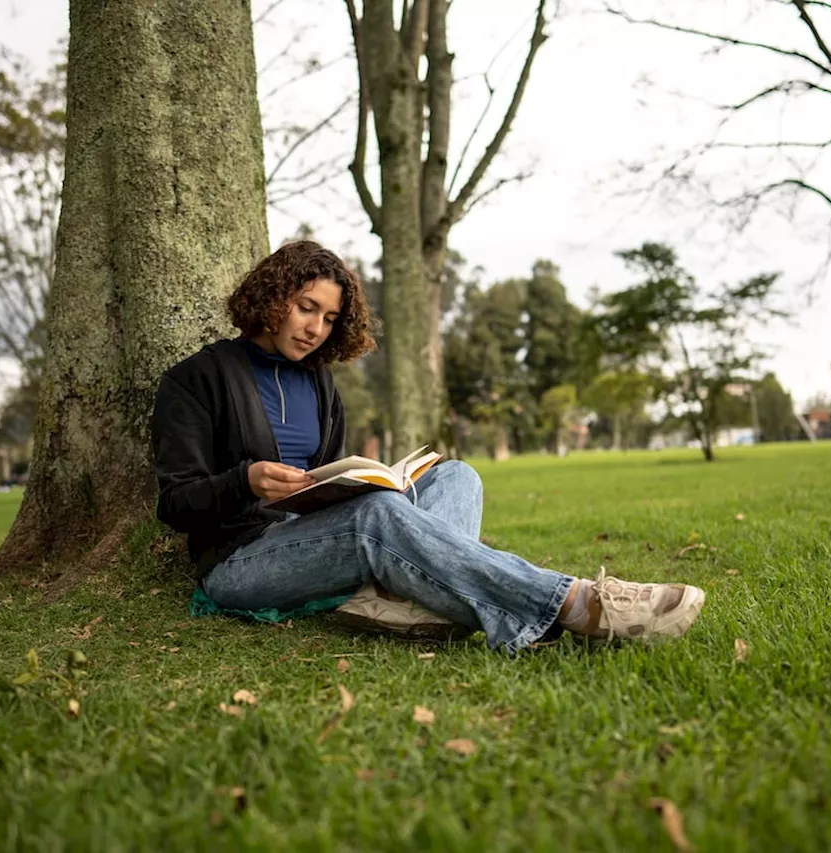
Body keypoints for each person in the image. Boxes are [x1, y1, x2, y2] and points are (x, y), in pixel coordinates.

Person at [151, 241, 707, 652]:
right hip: (240, 563)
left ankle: (402, 606)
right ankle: (575, 604)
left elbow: (325, 481)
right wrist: (243, 480)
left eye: (329, 317)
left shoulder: (318, 381)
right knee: (374, 516)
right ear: (272, 297)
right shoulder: (196, 379)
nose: (316, 328)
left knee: (457, 475)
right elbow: (174, 504)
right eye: (305, 307)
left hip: (313, 540)